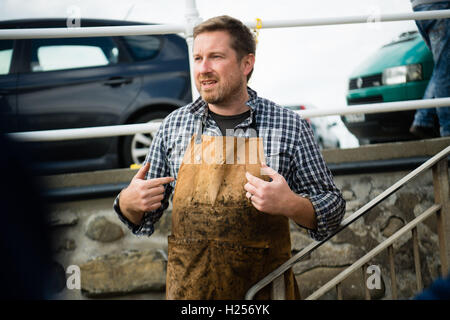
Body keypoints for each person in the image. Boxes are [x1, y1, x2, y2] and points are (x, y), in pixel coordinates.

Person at [113, 15, 346, 300]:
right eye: (198, 58)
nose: (203, 68)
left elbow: (333, 210)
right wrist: (128, 202)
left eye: (216, 57)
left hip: (263, 296)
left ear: (246, 63)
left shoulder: (288, 126)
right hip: (190, 297)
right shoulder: (174, 126)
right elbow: (142, 218)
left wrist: (291, 204)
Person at [409, 0, 450, 138]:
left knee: (443, 66)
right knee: (444, 69)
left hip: (420, 7)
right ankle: (447, 131)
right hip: (440, 5)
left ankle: (423, 118)